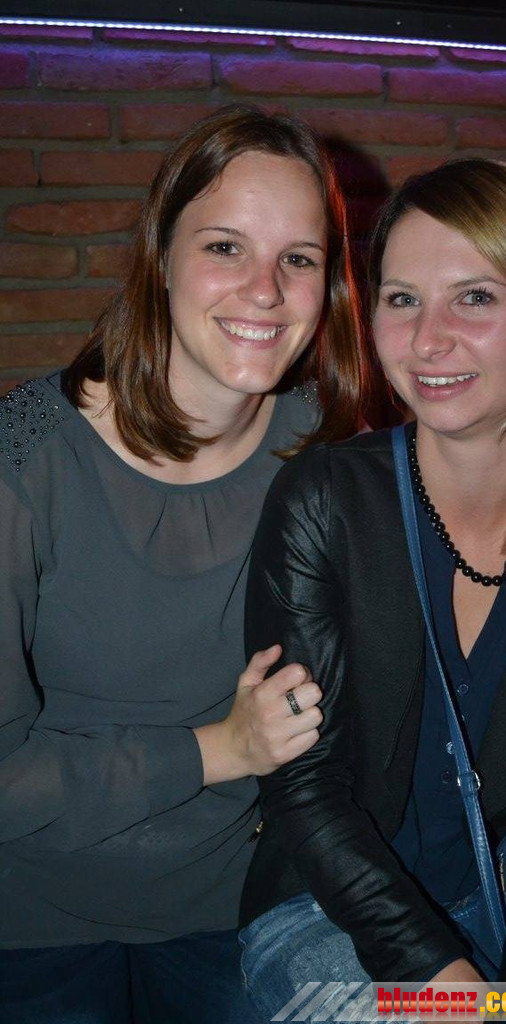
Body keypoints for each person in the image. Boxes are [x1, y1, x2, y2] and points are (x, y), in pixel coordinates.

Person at [238, 158, 506, 1010]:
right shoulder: (326, 501)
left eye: (473, 298)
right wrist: (453, 994)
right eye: (401, 299)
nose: (426, 339)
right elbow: (304, 786)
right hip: (333, 915)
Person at [0, 105, 367, 1023]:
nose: (265, 290)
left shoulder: (321, 444)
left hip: (238, 906)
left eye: (298, 258)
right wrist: (218, 750)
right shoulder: (24, 458)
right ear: (160, 258)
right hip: (30, 918)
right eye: (225, 247)